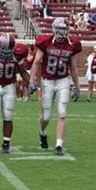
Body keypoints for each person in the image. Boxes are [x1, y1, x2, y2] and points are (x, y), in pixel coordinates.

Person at [29, 18, 82, 156]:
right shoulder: (45, 41)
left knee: (62, 113)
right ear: (53, 29)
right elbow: (36, 62)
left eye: (64, 29)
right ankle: (42, 131)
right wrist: (31, 80)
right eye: (59, 29)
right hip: (47, 81)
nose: (61, 32)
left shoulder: (73, 43)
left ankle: (59, 144)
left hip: (63, 81)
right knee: (46, 116)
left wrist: (77, 86)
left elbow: (73, 67)